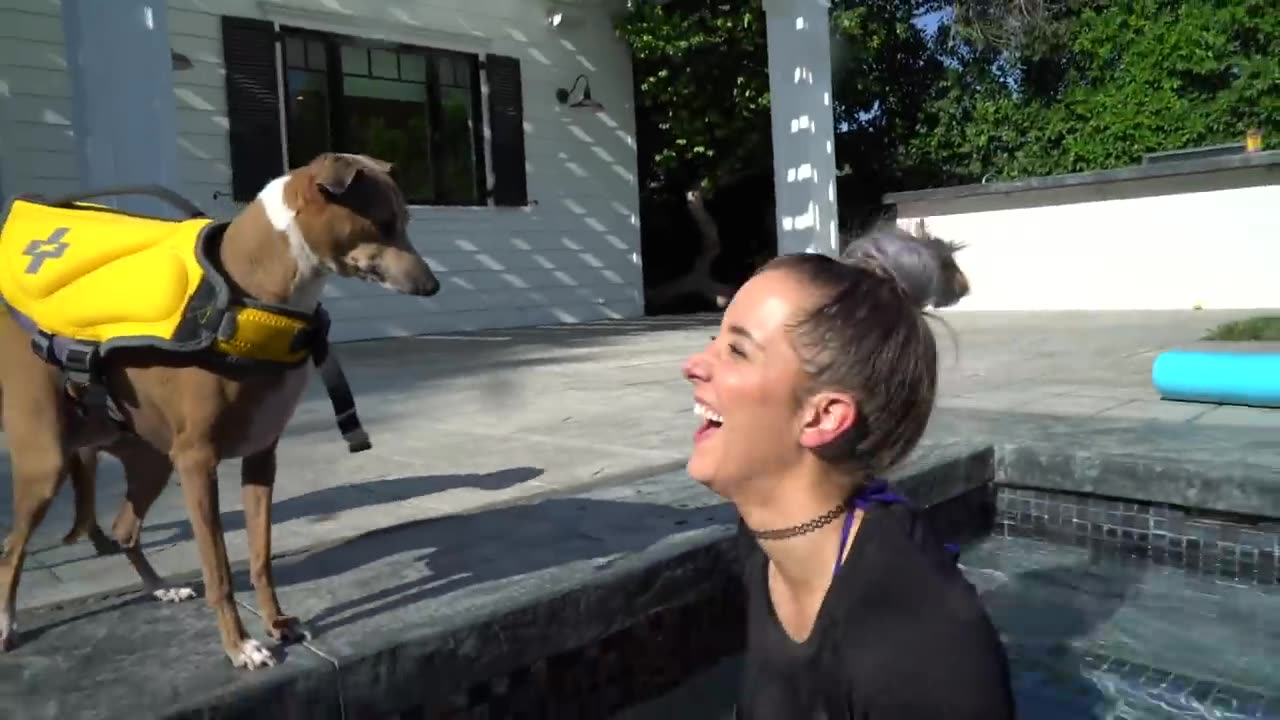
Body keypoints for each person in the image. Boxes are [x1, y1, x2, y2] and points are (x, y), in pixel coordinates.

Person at [680, 223, 1015, 719]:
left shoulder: (925, 651)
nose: (692, 365)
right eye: (716, 338)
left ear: (821, 417)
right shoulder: (767, 541)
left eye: (737, 350)